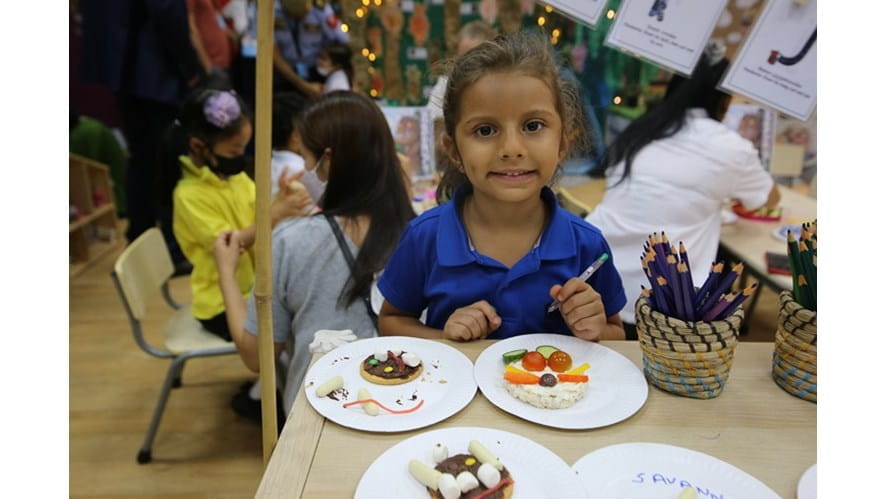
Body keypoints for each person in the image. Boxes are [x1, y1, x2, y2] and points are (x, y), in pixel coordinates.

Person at [377, 32, 627, 343]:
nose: (511, 149)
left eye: (533, 126)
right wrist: (444, 337)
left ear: (562, 144)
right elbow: (392, 320)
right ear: (454, 151)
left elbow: (616, 333)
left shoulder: (587, 245)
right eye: (485, 130)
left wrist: (593, 328)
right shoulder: (424, 237)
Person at [213, 91, 416, 414]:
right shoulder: (421, 231)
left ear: (328, 161)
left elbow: (257, 356)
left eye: (304, 157)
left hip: (320, 412)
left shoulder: (291, 241)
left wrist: (225, 271)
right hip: (410, 403)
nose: (303, 169)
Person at [585, 41, 780, 339]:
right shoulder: (730, 147)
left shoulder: (641, 130)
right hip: (661, 298)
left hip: (596, 276)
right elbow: (768, 199)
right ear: (725, 99)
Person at [167, 88, 311, 342]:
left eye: (244, 149)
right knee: (296, 321)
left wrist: (280, 199)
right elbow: (230, 245)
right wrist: (275, 213)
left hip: (254, 287)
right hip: (222, 303)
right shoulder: (188, 196)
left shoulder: (234, 178)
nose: (241, 158)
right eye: (234, 152)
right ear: (198, 145)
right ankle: (274, 367)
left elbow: (257, 214)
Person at [79, 0, 205, 275]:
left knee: (142, 162)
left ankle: (140, 243)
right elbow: (166, 11)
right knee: (166, 163)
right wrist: (190, 66)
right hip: (155, 72)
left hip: (124, 69)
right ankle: (170, 250)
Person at [283, 42, 354, 97]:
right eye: (319, 57)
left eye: (323, 59)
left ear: (337, 65)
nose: (319, 61)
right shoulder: (336, 76)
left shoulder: (337, 85)